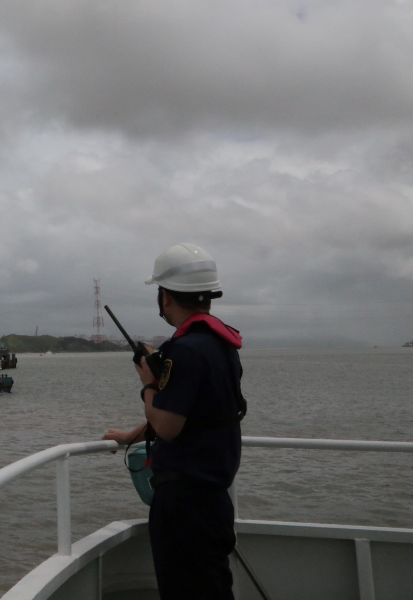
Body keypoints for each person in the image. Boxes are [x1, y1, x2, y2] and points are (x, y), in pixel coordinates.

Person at [103, 243, 245, 600]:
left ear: (165, 296)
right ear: (208, 295)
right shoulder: (221, 345)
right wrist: (130, 436)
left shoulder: (184, 351)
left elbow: (168, 426)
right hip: (213, 501)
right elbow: (196, 416)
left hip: (185, 506)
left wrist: (149, 384)